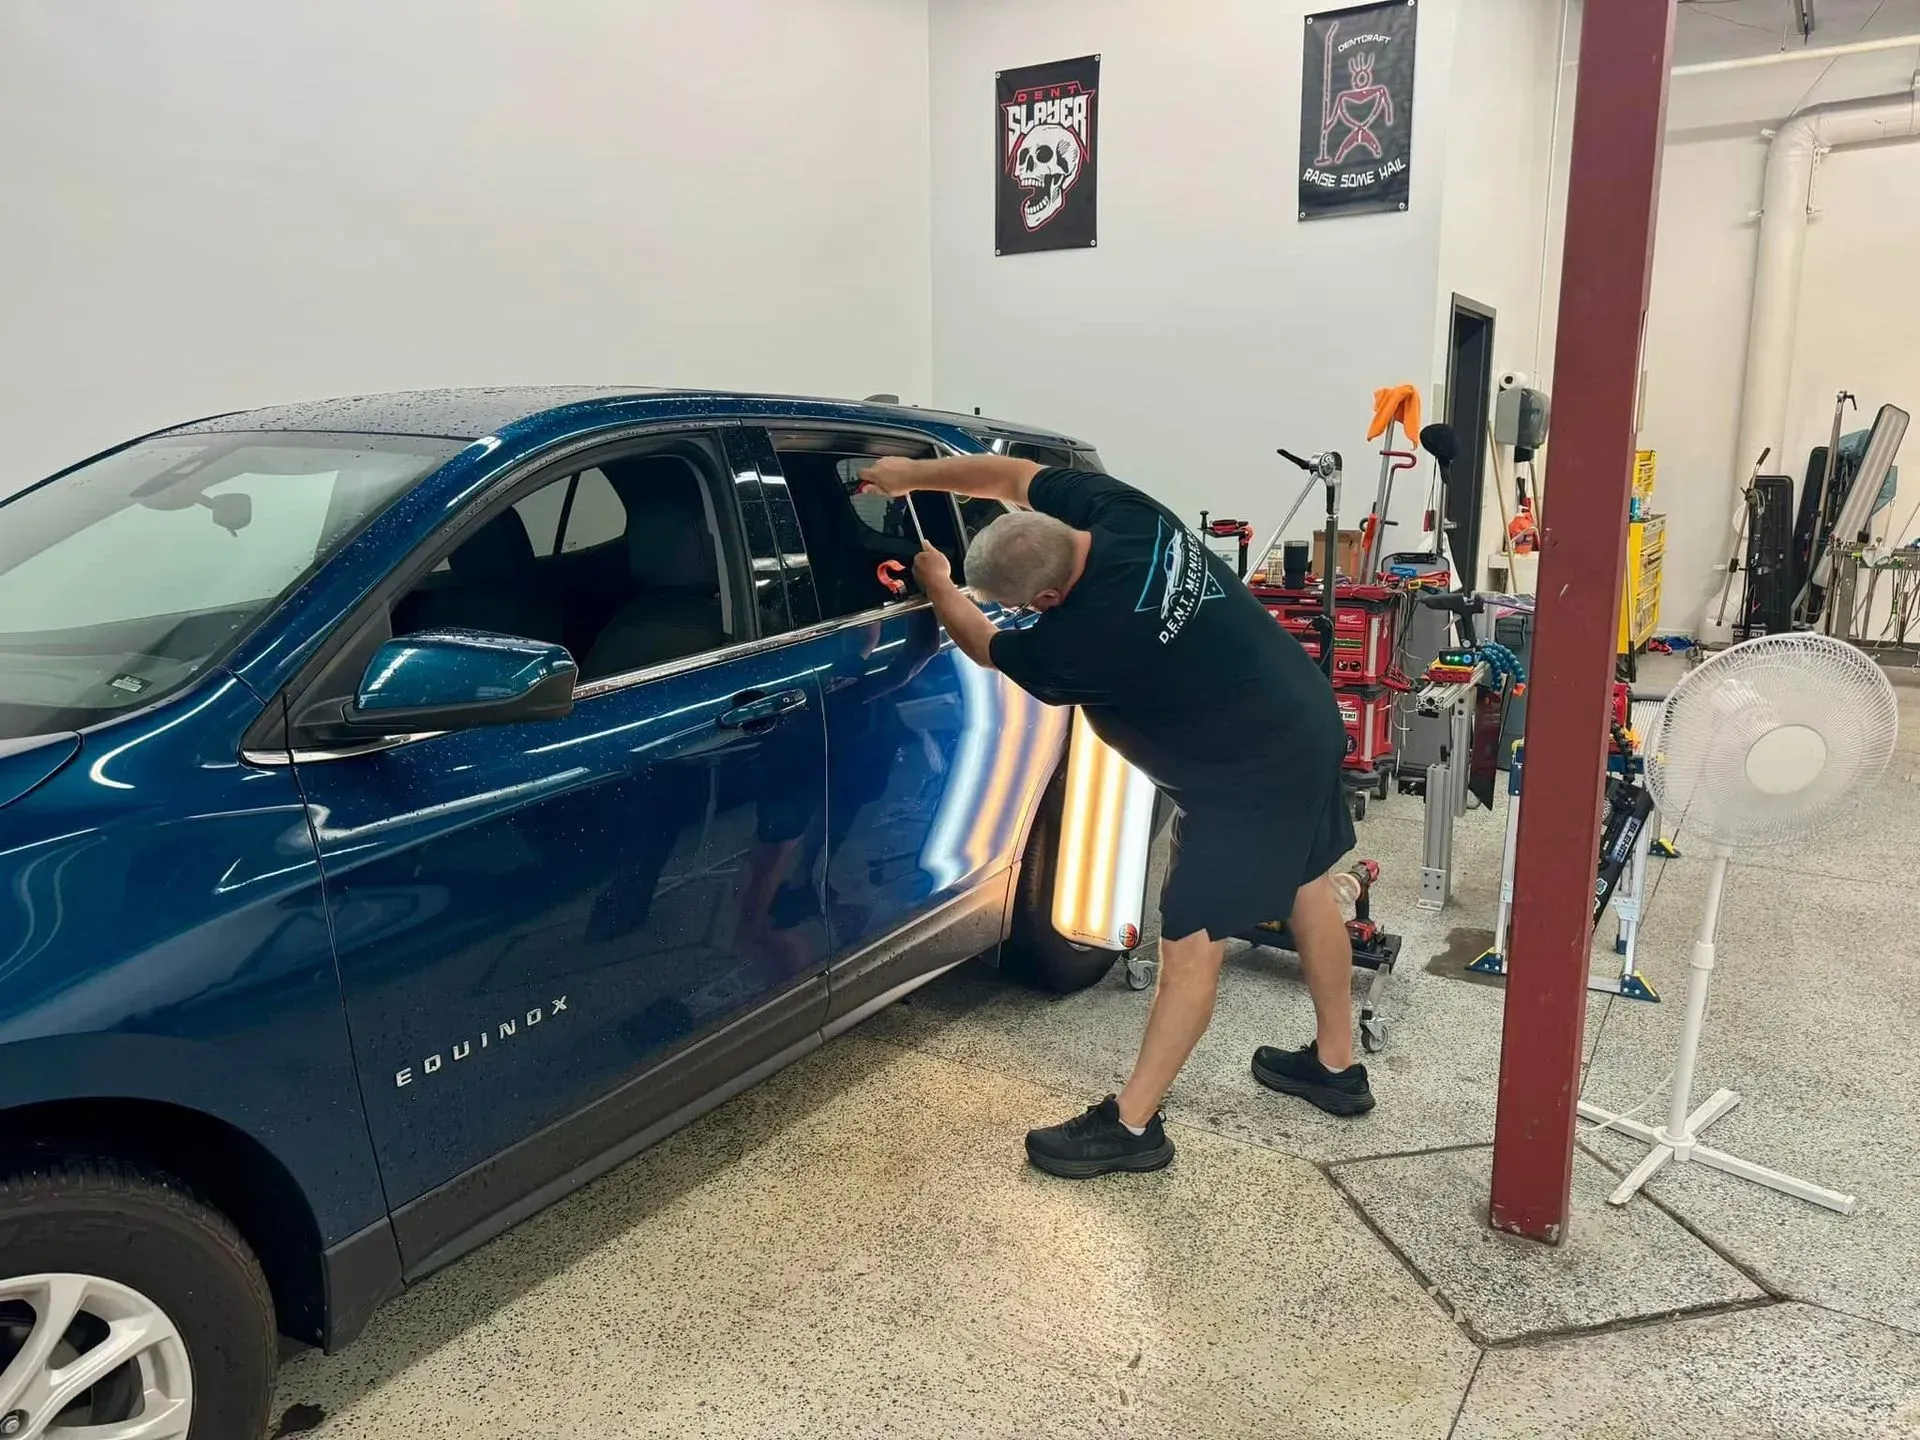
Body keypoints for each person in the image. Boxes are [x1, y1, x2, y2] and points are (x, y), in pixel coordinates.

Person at [861, 451, 1374, 1179]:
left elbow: (981, 644)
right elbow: (1008, 475)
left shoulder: (1079, 639)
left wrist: (940, 586)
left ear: (1041, 603)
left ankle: (1133, 1127)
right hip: (1300, 714)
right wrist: (911, 477)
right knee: (1306, 884)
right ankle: (1335, 1065)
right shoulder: (1124, 513)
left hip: (1247, 779)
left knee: (1190, 946)